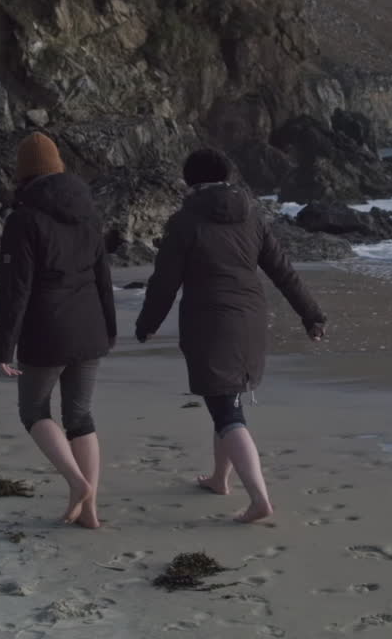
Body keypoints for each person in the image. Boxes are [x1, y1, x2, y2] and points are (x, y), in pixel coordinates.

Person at [136, 149, 326, 523]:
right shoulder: (252, 216)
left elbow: (164, 282)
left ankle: (259, 499)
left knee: (225, 410)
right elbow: (283, 270)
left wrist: (147, 323)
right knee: (227, 400)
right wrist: (312, 315)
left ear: (190, 182)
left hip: (210, 323)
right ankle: (219, 479)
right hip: (252, 319)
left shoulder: (185, 221)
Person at [0, 132, 117, 529]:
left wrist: (3, 347)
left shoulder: (23, 219)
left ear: (23, 173)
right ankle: (90, 510)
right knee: (80, 415)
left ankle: (78, 484)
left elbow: (16, 289)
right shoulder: (88, 212)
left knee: (33, 410)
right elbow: (102, 275)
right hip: (91, 325)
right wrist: (110, 329)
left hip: (47, 329)